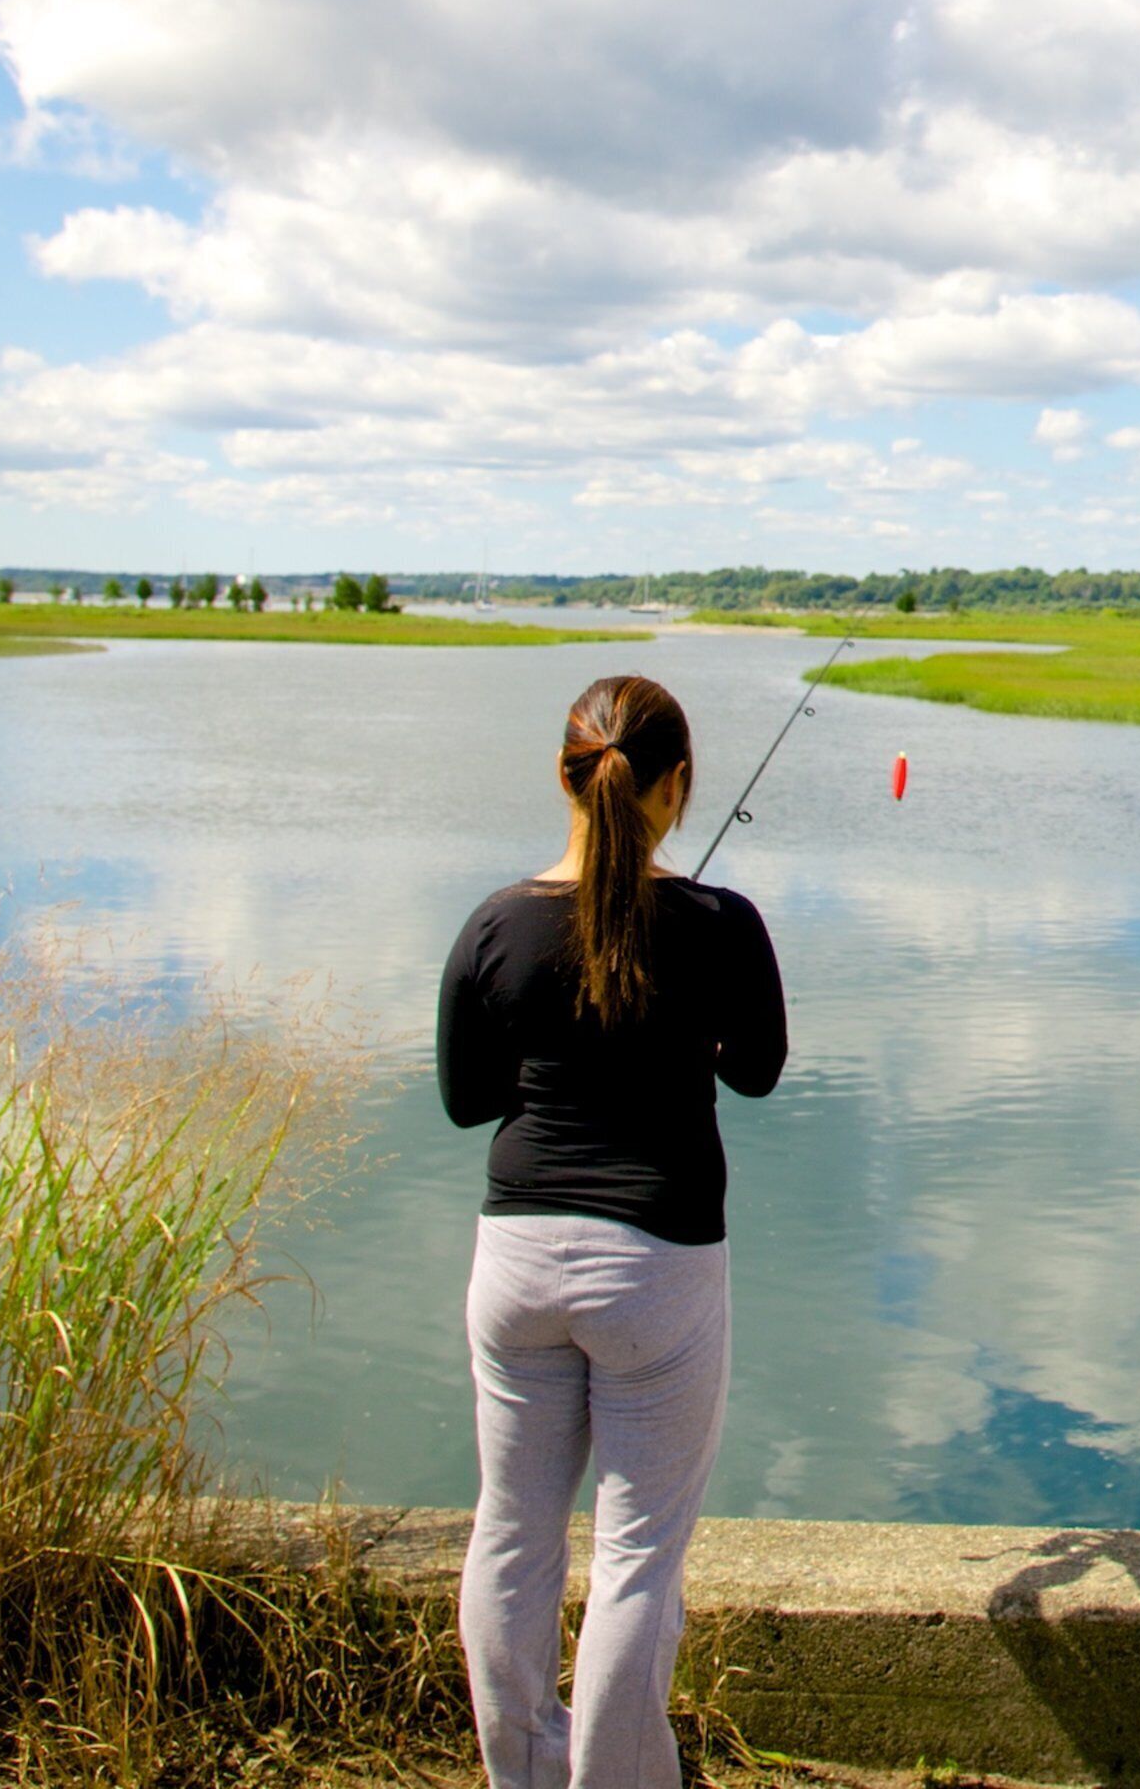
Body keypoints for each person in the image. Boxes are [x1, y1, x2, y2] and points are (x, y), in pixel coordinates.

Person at [438, 675, 787, 1789]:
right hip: (660, 1268)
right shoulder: (724, 923)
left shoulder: (496, 922)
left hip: (519, 1259)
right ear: (677, 786)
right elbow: (762, 1072)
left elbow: (464, 1097)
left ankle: (523, 1774)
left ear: (566, 775)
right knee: (637, 1560)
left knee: (512, 1531)